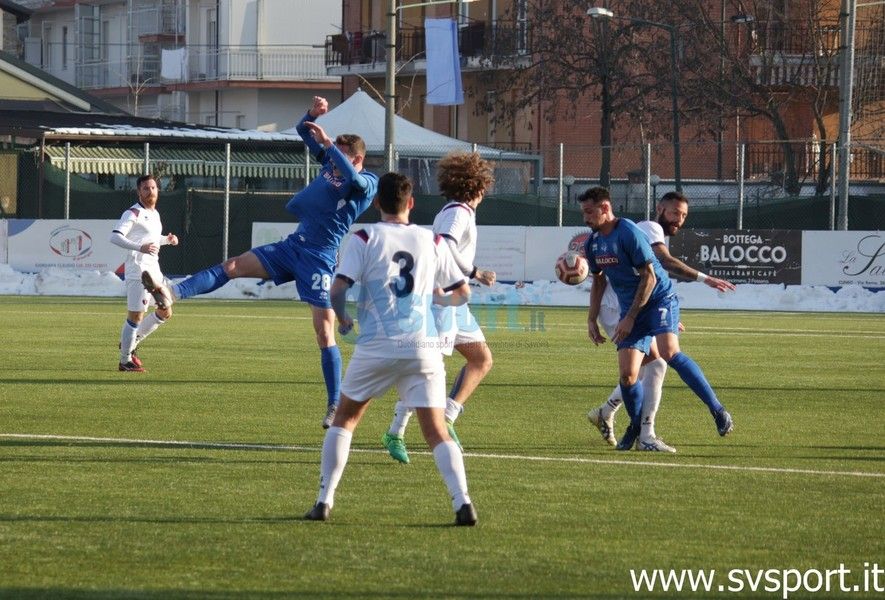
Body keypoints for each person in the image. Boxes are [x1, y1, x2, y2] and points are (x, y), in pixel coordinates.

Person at [142, 96, 378, 427]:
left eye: (341, 156)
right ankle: (173, 293)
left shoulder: (367, 182)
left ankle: (334, 404)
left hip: (320, 258)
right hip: (293, 245)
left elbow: (353, 182)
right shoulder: (332, 164)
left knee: (325, 333)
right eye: (333, 155)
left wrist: (329, 146)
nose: (333, 162)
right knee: (233, 266)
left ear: (358, 159)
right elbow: (301, 130)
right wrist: (312, 114)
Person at [303, 172, 477, 525]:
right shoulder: (432, 241)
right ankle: (463, 504)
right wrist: (438, 298)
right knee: (436, 432)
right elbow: (464, 293)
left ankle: (324, 501)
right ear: (411, 203)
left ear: (378, 202)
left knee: (346, 420)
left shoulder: (365, 237)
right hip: (422, 348)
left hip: (377, 345)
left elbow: (337, 289)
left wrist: (344, 318)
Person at [579, 187, 734, 452]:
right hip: (632, 306)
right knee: (628, 376)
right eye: (584, 212)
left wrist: (632, 318)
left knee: (668, 353)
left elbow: (650, 276)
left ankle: (717, 410)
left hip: (658, 299)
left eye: (590, 212)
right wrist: (591, 319)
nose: (586, 218)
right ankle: (637, 429)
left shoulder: (628, 231)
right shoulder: (593, 243)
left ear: (605, 208)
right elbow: (599, 281)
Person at [380, 151, 496, 464]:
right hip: (442, 299)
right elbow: (444, 245)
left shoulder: (457, 210)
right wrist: (475, 273)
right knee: (427, 368)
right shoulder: (459, 213)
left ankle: (448, 414)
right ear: (478, 186)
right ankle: (395, 431)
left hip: (454, 302)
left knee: (481, 359)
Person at [110, 174, 178, 372]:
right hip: (138, 272)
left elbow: (152, 239)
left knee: (166, 311)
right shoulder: (133, 213)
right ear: (139, 192)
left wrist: (167, 240)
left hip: (154, 270)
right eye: (146, 189)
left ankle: (130, 344)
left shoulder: (154, 214)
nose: (150, 192)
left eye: (153, 188)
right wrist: (140, 248)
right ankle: (125, 361)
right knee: (135, 317)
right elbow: (115, 237)